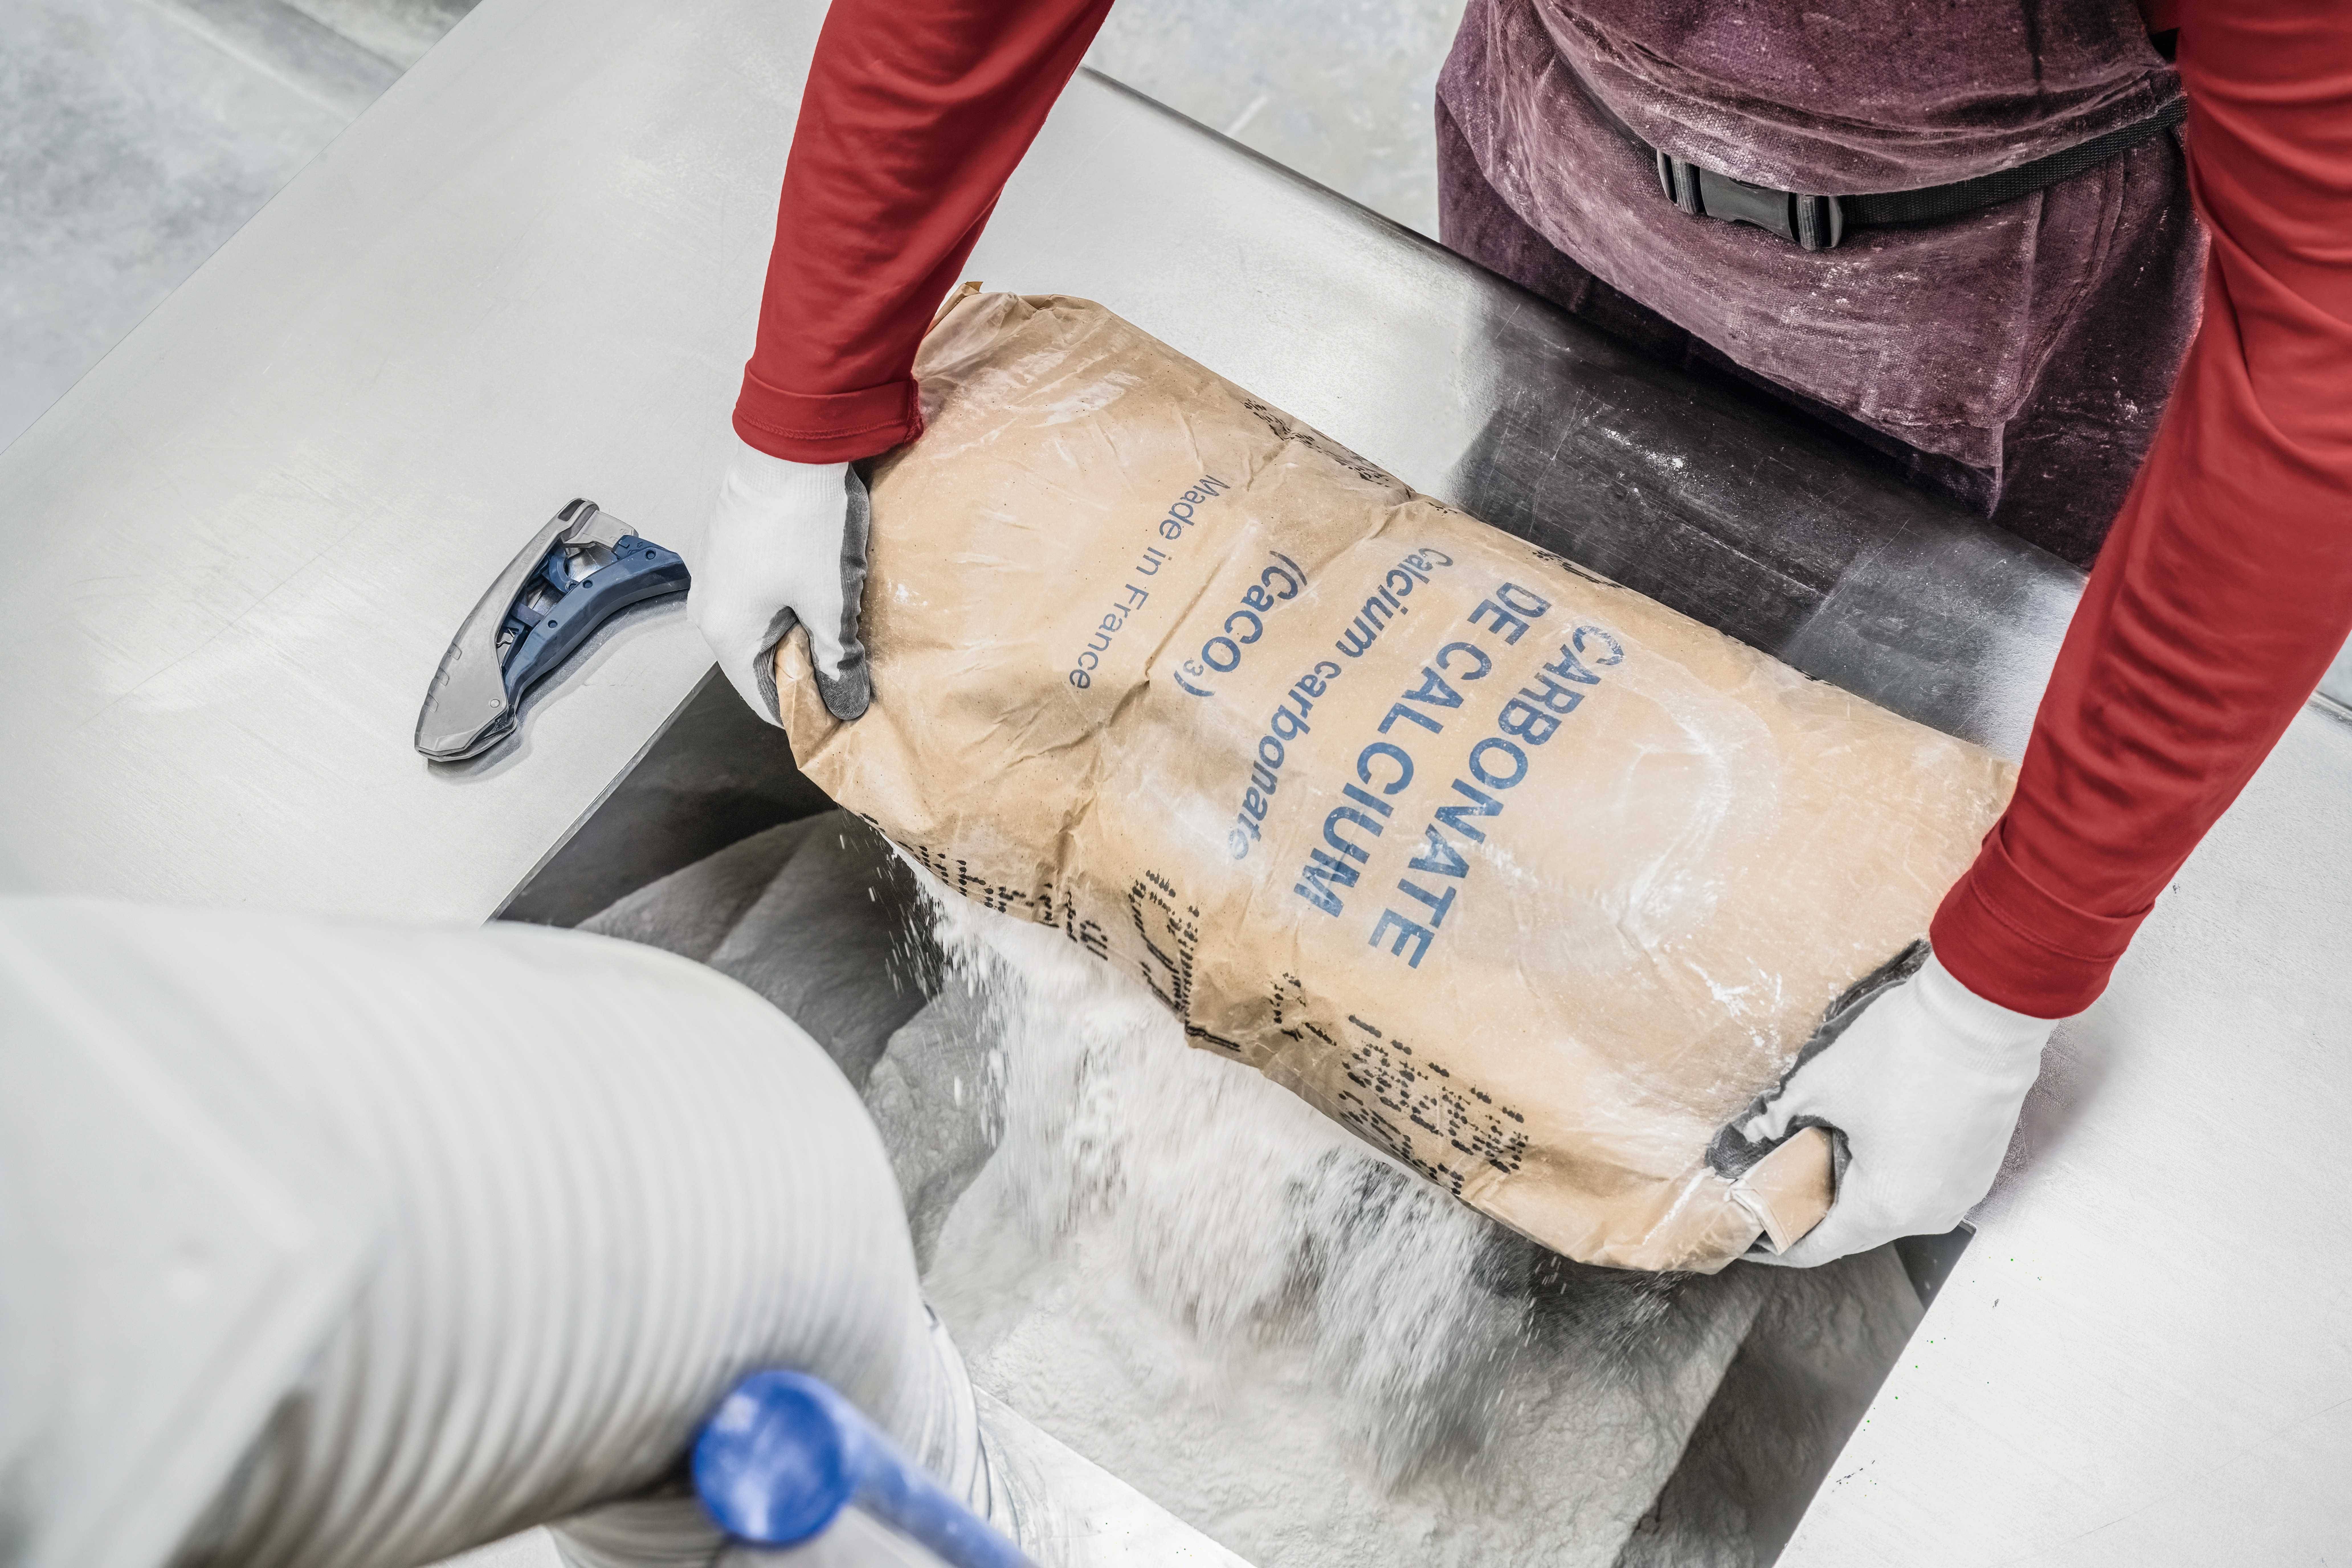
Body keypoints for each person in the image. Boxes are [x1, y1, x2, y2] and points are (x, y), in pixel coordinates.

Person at [687, 0, 2351, 1266]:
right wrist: (814, 391)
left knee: (1823, 826)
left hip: (1994, 304)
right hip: (1556, 144)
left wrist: (2003, 975)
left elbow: (2325, 343)